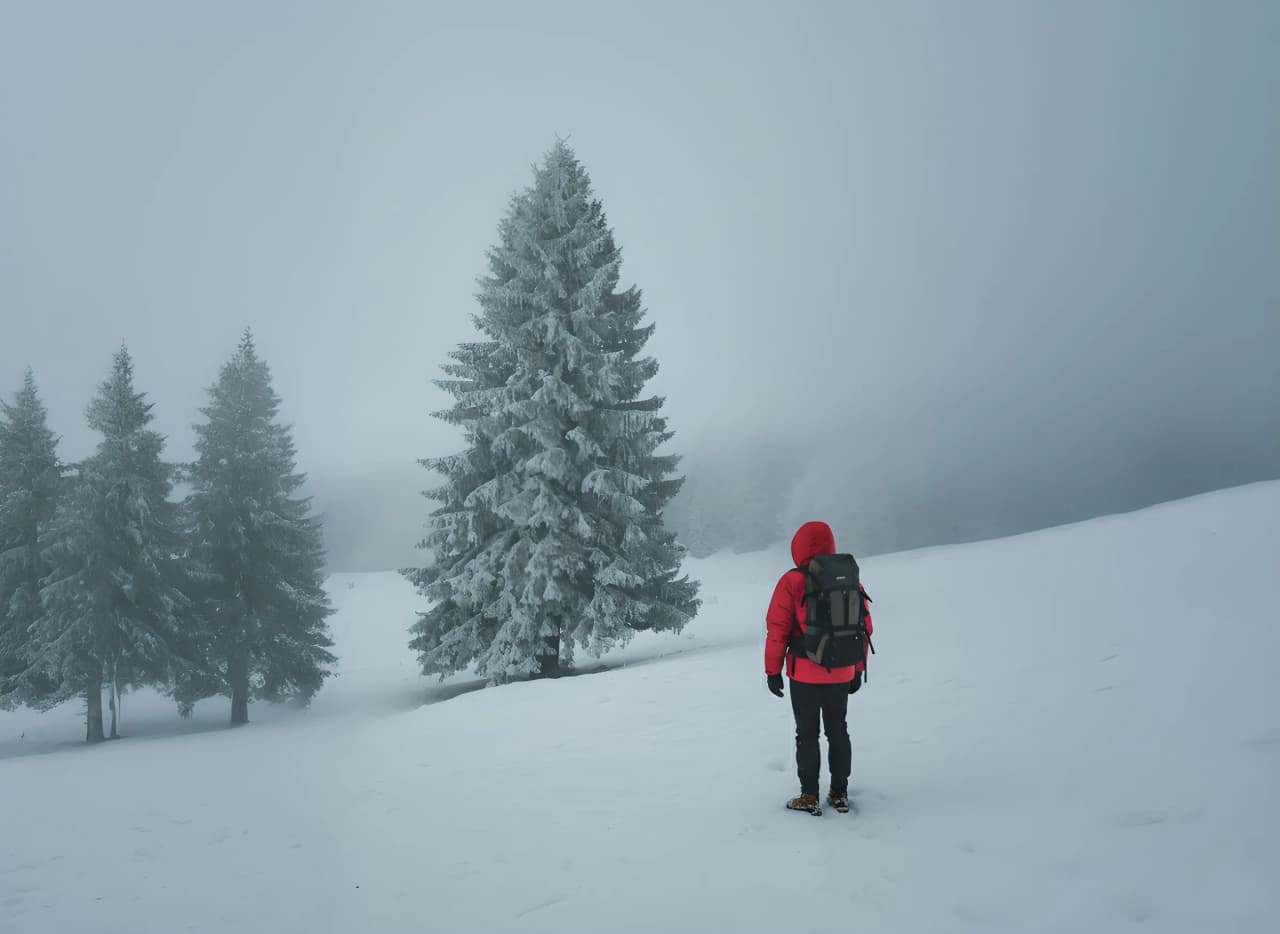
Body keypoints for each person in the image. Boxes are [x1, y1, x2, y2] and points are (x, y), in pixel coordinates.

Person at [765, 520, 873, 814]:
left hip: (803, 673)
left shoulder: (791, 581)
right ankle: (839, 793)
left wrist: (772, 671)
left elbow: (777, 629)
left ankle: (809, 796)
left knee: (807, 734)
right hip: (841, 671)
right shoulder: (849, 578)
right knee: (838, 730)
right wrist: (858, 668)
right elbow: (864, 627)